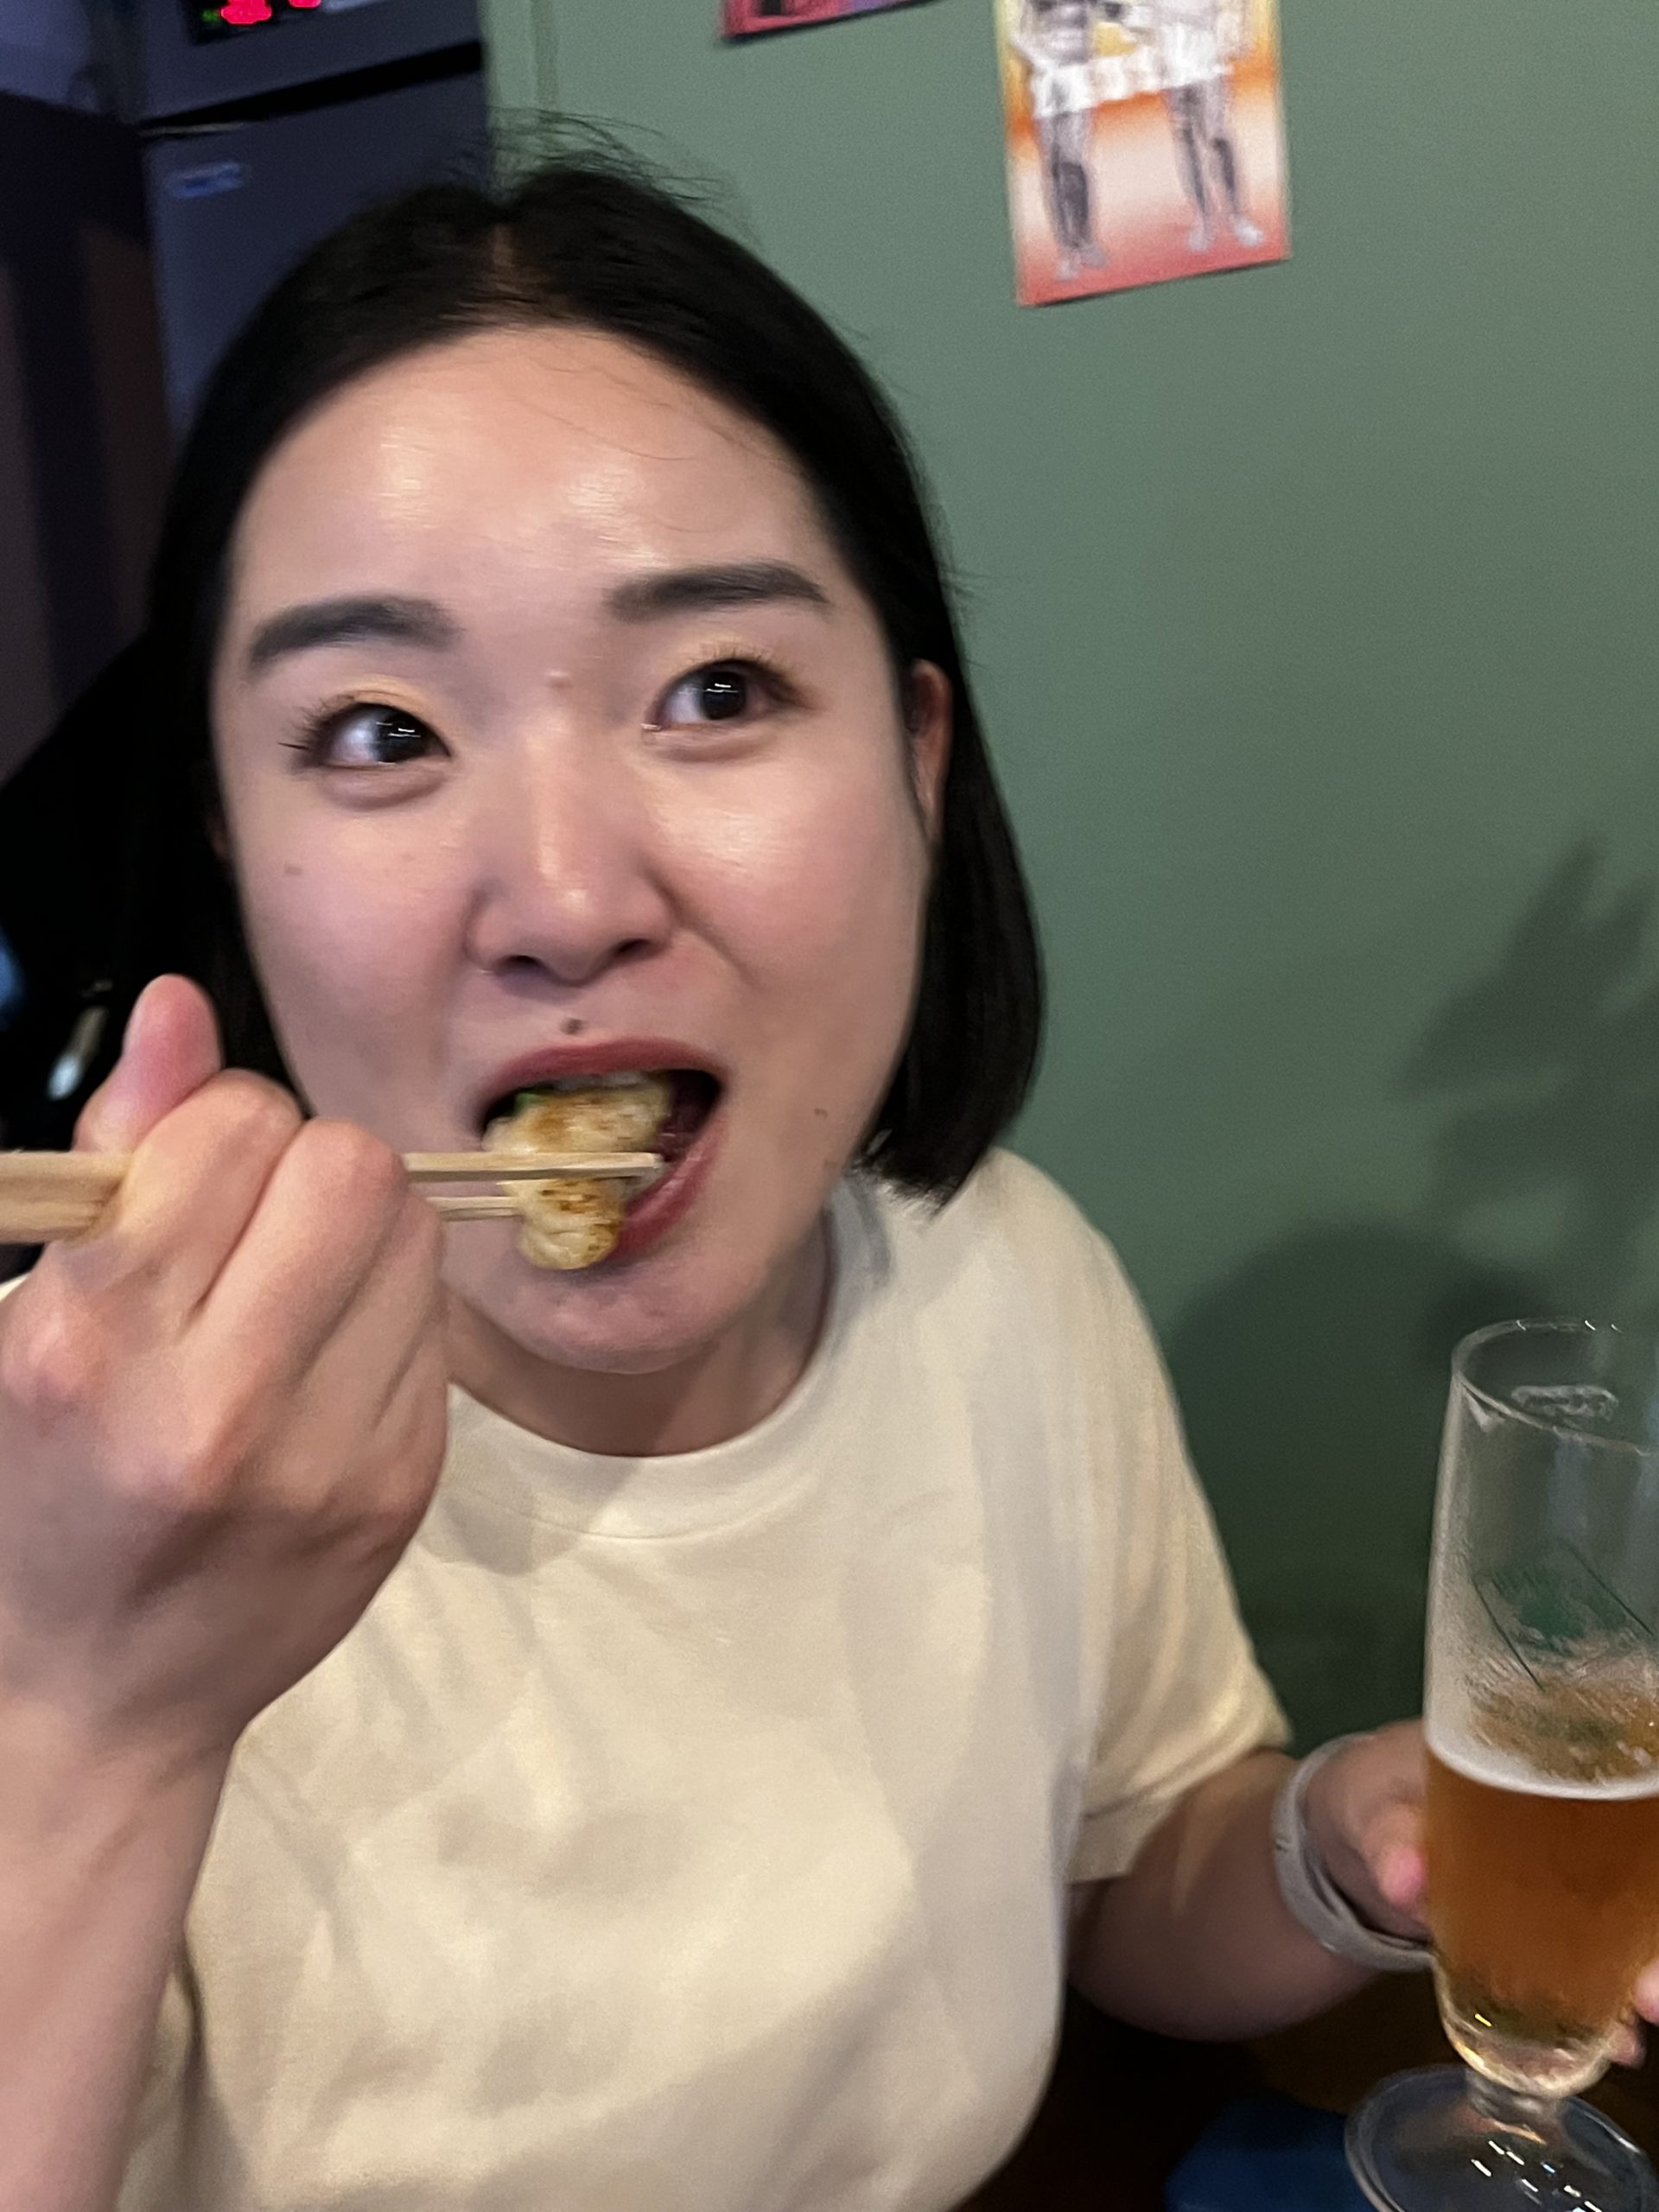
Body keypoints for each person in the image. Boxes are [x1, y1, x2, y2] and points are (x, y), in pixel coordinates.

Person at [0, 155, 1563, 2212]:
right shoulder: (72, 1486)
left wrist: (1337, 1846)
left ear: (917, 755)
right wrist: (87, 1714)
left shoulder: (1001, 1279)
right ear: (224, 831)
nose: (563, 894)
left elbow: (1121, 1867)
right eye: (377, 729)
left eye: (717, 690)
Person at [1122, 0, 1266, 253]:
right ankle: (1204, 220)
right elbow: (1141, 19)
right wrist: (1122, 14)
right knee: (1185, 141)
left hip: (1209, 63)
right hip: (1174, 70)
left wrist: (1156, 11)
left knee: (1218, 136)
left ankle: (1238, 216)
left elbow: (1202, 9)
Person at [1009, 0, 1112, 281]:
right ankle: (1067, 251)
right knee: (1053, 166)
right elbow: (1017, 33)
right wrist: (1039, 59)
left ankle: (1086, 239)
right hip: (1046, 79)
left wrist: (1093, 63)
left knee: (1075, 159)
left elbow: (1103, 15)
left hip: (1077, 75)